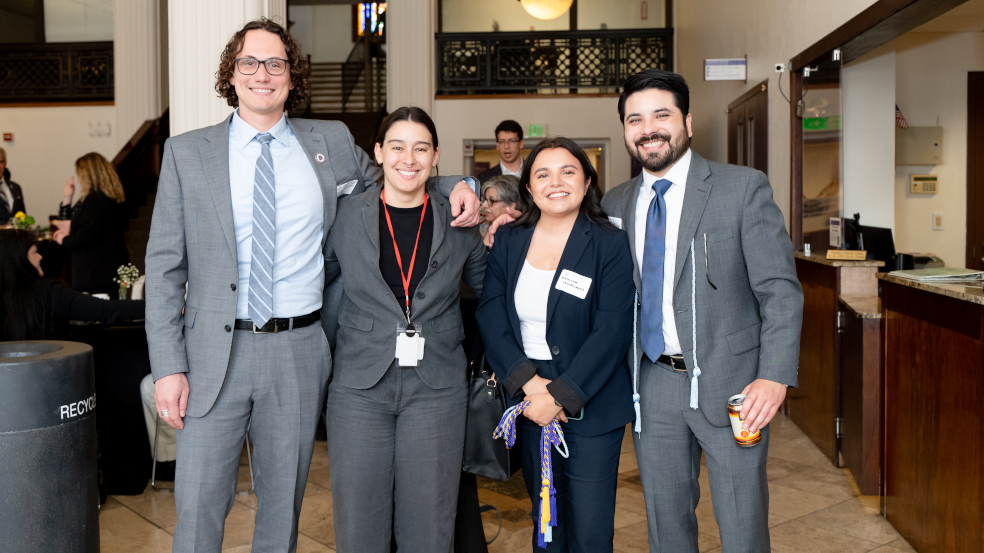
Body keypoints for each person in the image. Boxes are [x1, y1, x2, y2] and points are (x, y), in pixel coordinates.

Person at [144, 19, 480, 553]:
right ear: (231, 74)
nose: (263, 74)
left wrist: (463, 182)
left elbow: (398, 178)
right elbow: (163, 266)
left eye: (276, 64)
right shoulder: (187, 153)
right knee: (200, 504)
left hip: (299, 351)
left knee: (283, 509)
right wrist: (168, 367)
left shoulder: (331, 142)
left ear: (292, 77)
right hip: (212, 353)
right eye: (249, 63)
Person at [600, 69, 803, 552]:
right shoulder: (615, 202)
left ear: (688, 122)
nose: (648, 128)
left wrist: (774, 376)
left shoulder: (742, 188)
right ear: (626, 130)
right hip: (654, 383)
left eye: (661, 115)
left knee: (742, 525)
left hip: (735, 384)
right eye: (635, 119)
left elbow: (780, 290)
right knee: (666, 526)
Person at [323, 106, 486, 553]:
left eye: (421, 148)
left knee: (430, 528)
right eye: (396, 146)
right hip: (358, 386)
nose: (408, 158)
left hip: (436, 387)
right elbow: (313, 282)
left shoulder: (460, 220)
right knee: (358, 527)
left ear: (436, 157)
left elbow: (492, 291)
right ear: (378, 152)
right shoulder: (342, 217)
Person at [476, 137, 636, 551]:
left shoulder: (608, 243)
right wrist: (529, 386)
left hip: (592, 400)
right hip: (528, 399)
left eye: (568, 172)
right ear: (528, 187)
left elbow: (612, 329)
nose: (556, 182)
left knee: (591, 526)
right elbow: (491, 313)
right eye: (542, 174)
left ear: (586, 182)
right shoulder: (509, 239)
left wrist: (560, 396)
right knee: (545, 517)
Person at [0, 229, 143, 341]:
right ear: (20, 260)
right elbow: (108, 310)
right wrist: (158, 306)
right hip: (55, 374)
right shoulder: (47, 293)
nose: (40, 257)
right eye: (35, 252)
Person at [52, 152, 130, 295]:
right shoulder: (110, 197)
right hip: (110, 266)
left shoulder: (94, 200)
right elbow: (96, 226)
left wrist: (63, 239)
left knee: (98, 313)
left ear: (87, 174)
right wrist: (67, 198)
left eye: (80, 173)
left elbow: (86, 234)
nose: (79, 178)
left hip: (96, 270)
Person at [480, 174, 526, 247]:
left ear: (512, 206)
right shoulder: (480, 227)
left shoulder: (517, 234)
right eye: (485, 199)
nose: (484, 205)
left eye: (492, 200)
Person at [0, 148, 27, 224]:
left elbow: (23, 216)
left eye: (1, 162)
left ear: (5, 163)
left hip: (15, 234)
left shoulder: (16, 187)